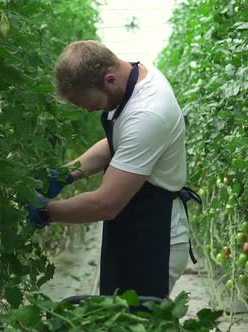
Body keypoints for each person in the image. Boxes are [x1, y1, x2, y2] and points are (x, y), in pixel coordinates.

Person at [27, 40, 200, 299]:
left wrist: (46, 212)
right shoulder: (129, 76)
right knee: (118, 314)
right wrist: (65, 174)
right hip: (132, 220)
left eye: (91, 103)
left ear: (109, 80)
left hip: (156, 234)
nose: (88, 110)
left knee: (140, 321)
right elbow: (117, 144)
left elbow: (105, 204)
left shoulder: (149, 112)